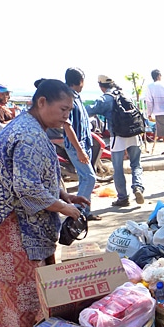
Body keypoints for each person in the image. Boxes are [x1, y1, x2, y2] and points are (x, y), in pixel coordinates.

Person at [0, 79, 90, 327]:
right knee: (28, 292)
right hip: (10, 223)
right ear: (41, 102)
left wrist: (65, 194)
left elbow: (44, 173)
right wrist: (64, 208)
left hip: (25, 220)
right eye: (63, 109)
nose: (66, 116)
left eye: (70, 111)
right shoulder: (28, 134)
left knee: (42, 284)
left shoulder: (34, 129)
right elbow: (28, 188)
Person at [87, 75, 145, 207]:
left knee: (118, 168)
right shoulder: (125, 94)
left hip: (118, 136)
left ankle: (123, 198)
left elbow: (90, 111)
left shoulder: (105, 98)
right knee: (136, 164)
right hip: (134, 133)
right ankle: (138, 187)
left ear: (101, 86)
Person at [62, 68, 101, 221]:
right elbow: (67, 125)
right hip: (77, 145)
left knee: (85, 178)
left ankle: (86, 211)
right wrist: (79, 150)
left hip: (85, 142)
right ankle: (77, 213)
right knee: (90, 178)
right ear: (80, 81)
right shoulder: (68, 98)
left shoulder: (76, 97)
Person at [145, 69, 164, 155]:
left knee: (163, 132)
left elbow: (149, 101)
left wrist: (149, 113)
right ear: (159, 76)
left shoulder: (150, 87)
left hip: (158, 112)